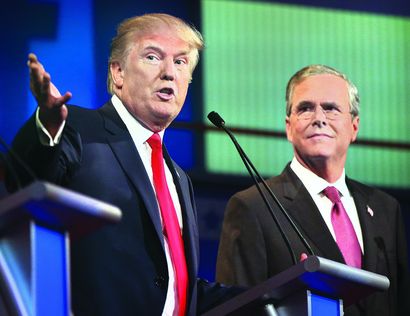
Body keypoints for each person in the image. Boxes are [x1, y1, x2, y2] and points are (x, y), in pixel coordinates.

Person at [11, 13, 239, 316]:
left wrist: (279, 293)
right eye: (153, 57)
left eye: (181, 62)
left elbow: (176, 286)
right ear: (118, 72)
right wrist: (48, 126)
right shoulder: (78, 127)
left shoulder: (179, 178)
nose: (169, 72)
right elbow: (25, 183)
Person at [216, 64, 410, 315]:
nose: (319, 118)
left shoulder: (385, 208)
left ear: (354, 127)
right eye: (305, 108)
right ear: (289, 127)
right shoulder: (255, 206)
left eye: (331, 108)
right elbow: (238, 309)